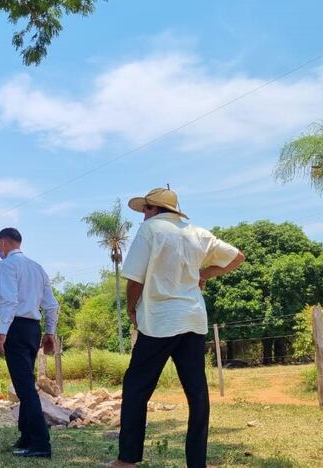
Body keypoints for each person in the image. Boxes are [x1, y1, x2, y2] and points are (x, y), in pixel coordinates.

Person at [109, 187, 245, 468]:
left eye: (145, 209)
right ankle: (197, 463)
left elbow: (135, 281)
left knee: (136, 388)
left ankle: (127, 460)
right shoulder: (196, 233)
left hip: (159, 321)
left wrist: (132, 309)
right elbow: (237, 257)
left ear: (155, 209)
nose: (143, 215)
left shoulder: (150, 230)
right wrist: (203, 274)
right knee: (197, 394)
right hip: (193, 320)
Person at [0, 227, 59, 459]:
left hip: (16, 328)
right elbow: (51, 304)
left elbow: (9, 301)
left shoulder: (7, 265)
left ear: (3, 243)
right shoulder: (37, 267)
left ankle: (41, 443)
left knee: (25, 389)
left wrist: (2, 332)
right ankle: (27, 436)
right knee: (25, 383)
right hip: (33, 329)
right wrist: (50, 332)